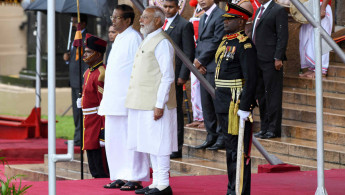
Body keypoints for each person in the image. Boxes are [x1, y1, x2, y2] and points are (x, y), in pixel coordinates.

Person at [98, 4, 150, 190]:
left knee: (131, 139)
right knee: (114, 140)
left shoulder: (135, 38)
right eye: (113, 17)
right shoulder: (119, 39)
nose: (113, 20)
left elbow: (138, 70)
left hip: (128, 100)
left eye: (117, 18)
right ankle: (120, 174)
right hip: (113, 99)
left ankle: (135, 177)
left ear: (128, 20)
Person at [126, 6, 176, 195]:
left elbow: (167, 76)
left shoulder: (162, 42)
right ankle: (156, 183)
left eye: (145, 18)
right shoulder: (149, 39)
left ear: (157, 20)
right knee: (150, 143)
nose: (141, 20)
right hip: (143, 102)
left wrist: (159, 104)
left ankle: (163, 184)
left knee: (160, 143)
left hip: (156, 103)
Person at [214, 3, 257, 194]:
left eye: (229, 20)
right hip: (223, 103)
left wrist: (246, 105)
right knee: (230, 149)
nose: (225, 22)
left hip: (236, 103)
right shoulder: (225, 42)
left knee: (238, 151)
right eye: (225, 19)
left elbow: (252, 77)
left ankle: (239, 190)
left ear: (241, 21)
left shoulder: (244, 45)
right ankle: (232, 188)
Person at [162, 0, 195, 159]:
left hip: (175, 75)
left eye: (170, 7)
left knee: (175, 112)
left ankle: (177, 147)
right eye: (165, 6)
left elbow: (188, 52)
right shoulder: (161, 22)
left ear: (178, 8)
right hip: (160, 75)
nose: (167, 10)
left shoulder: (184, 25)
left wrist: (183, 75)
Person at [252, 0, 288, 139]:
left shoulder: (278, 10)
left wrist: (278, 57)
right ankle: (264, 127)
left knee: (272, 95)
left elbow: (282, 35)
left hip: (271, 60)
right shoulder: (259, 10)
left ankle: (273, 129)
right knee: (261, 95)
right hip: (257, 59)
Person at [193, 0, 226, 150]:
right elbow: (200, 42)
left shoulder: (220, 15)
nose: (201, 0)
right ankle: (210, 135)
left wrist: (201, 60)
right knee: (206, 104)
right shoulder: (202, 17)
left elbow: (217, 41)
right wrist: (198, 63)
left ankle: (221, 137)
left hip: (213, 66)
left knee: (216, 102)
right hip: (203, 67)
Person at [76, 33, 109, 178]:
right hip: (88, 120)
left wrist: (104, 128)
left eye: (89, 51)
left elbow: (104, 102)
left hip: (97, 120)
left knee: (99, 162)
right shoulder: (87, 73)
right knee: (90, 154)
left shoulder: (101, 73)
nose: (85, 54)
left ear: (98, 54)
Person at [63, 14, 89, 146]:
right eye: (72, 22)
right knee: (75, 111)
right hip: (73, 80)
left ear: (83, 24)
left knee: (80, 111)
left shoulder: (85, 39)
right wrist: (67, 59)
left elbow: (85, 61)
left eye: (76, 22)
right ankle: (77, 136)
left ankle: (81, 138)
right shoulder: (74, 38)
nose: (73, 25)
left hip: (80, 80)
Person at [299, 0, 332, 78]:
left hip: (320, 5)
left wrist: (322, 8)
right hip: (308, 6)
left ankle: (321, 70)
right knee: (306, 38)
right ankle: (312, 68)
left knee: (321, 39)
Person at [186, 0, 205, 129]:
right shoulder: (196, 9)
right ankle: (197, 117)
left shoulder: (209, 11)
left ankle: (205, 118)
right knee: (194, 88)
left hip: (203, 57)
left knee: (203, 89)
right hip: (194, 56)